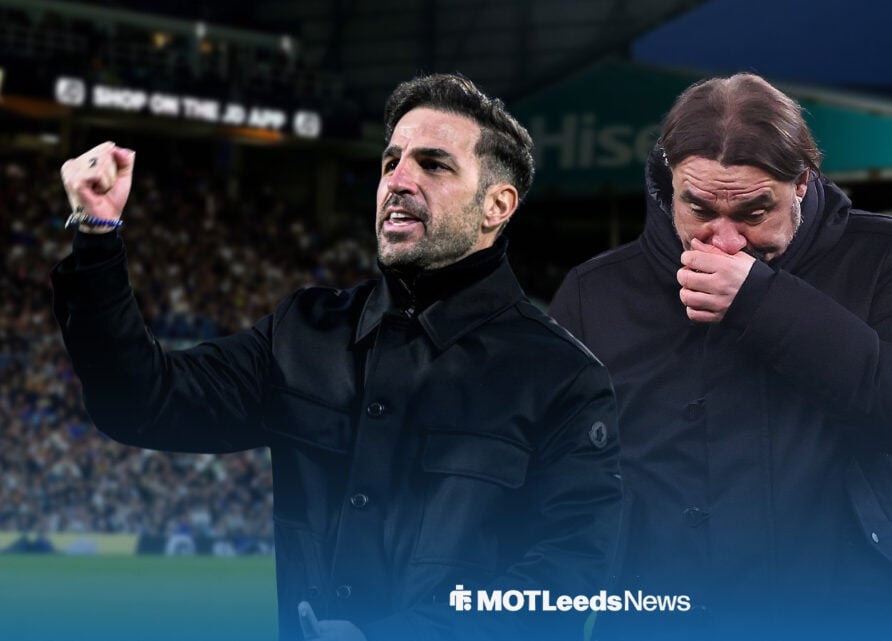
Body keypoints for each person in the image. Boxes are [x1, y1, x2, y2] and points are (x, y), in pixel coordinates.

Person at [51, 74, 622, 641]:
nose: (398, 181)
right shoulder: (303, 332)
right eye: (390, 161)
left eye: (434, 165)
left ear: (497, 205)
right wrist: (98, 235)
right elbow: (140, 402)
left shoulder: (563, 378)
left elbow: (563, 584)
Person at [550, 73, 892, 640]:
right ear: (667, 185)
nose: (724, 241)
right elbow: (555, 486)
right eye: (698, 208)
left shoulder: (887, 254)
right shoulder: (595, 293)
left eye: (752, 214)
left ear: (801, 183)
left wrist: (760, 300)